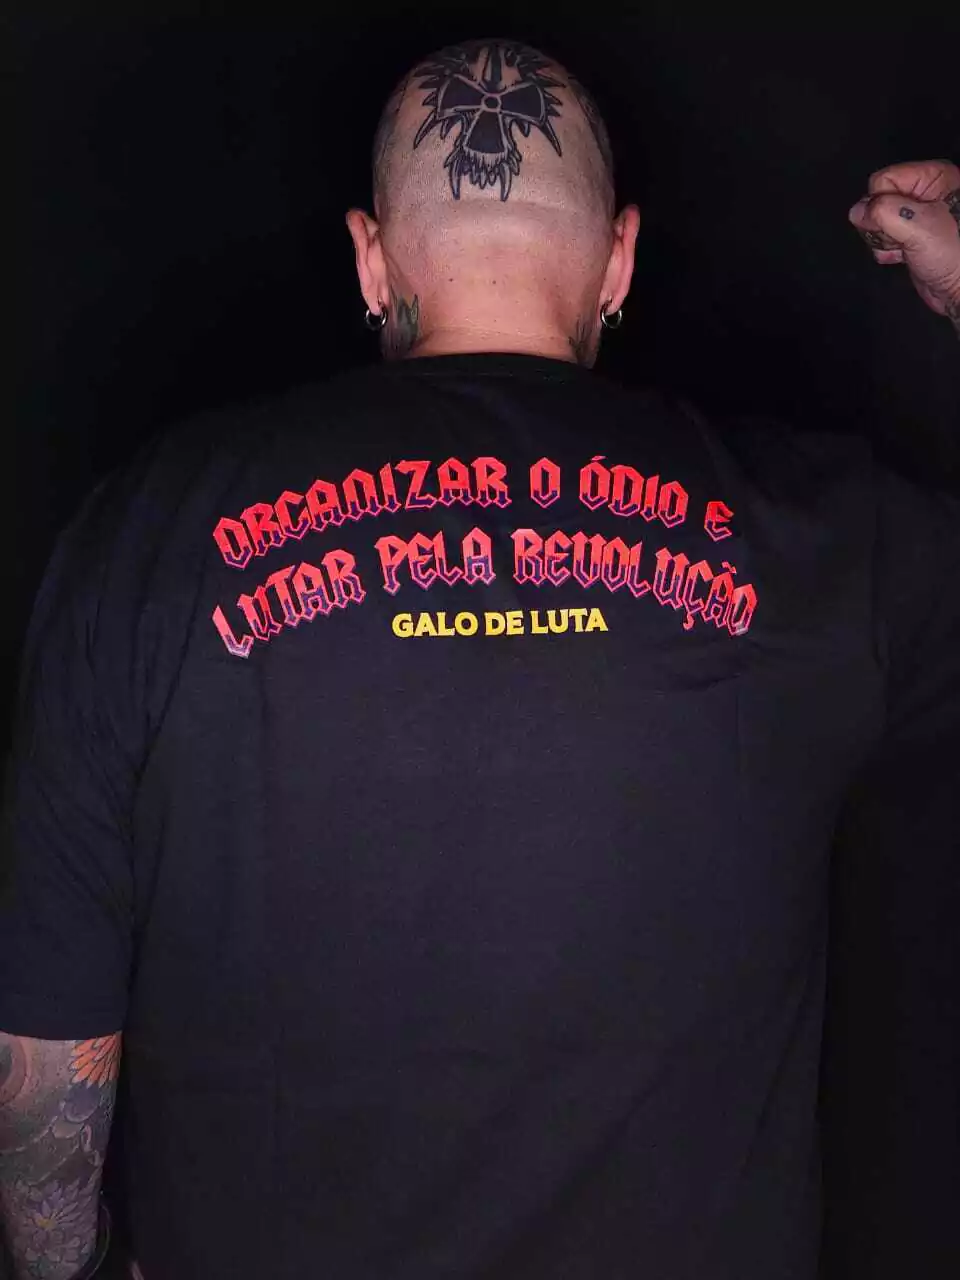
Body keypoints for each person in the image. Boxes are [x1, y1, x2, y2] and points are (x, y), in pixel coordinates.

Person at [1, 37, 958, 1280]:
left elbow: (42, 1043)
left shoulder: (146, 533)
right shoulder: (827, 539)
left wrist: (68, 1266)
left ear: (371, 256)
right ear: (618, 258)